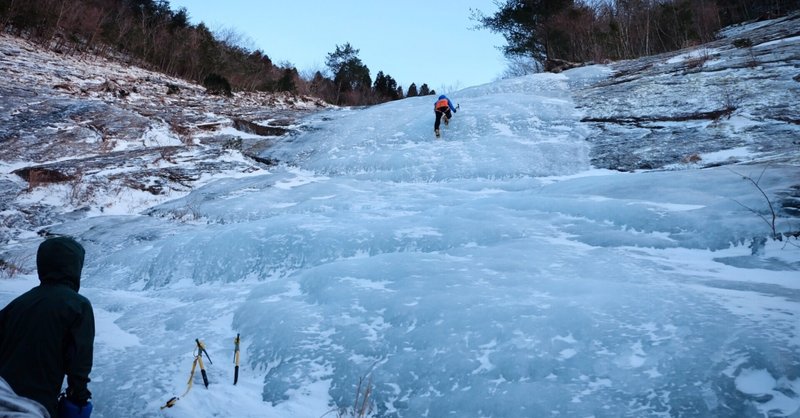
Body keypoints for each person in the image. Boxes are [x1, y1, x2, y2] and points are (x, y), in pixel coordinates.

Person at [0, 236, 95, 418]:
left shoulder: (18, 303)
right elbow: (79, 361)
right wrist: (79, 397)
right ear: (75, 267)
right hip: (35, 405)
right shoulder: (77, 305)